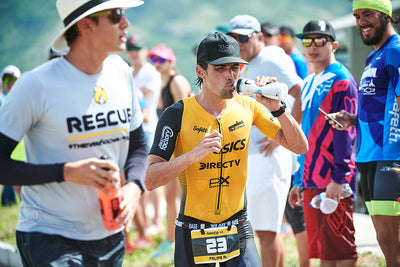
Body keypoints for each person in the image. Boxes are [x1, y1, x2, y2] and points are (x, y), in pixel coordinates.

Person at [0, 0, 147, 265]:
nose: (125, 23)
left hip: (110, 234)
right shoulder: (36, 85)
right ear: (85, 25)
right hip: (49, 235)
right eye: (116, 15)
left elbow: (138, 147)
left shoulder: (121, 73)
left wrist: (134, 187)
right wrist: (66, 172)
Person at [145, 32, 308, 267]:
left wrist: (279, 109)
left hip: (237, 226)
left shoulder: (249, 106)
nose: (231, 75)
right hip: (193, 229)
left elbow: (300, 147)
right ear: (201, 71)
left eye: (235, 67)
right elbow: (151, 179)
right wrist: (192, 155)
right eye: (220, 68)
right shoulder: (177, 114)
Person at [227, 14, 303, 267]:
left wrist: (284, 137)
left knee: (267, 232)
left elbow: (299, 90)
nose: (238, 42)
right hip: (256, 154)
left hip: (270, 155)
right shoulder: (247, 62)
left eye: (243, 37)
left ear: (258, 36)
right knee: (263, 230)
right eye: (234, 37)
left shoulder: (270, 56)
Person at [328, 1, 400, 266]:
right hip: (368, 158)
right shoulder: (373, 57)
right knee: (387, 244)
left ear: (385, 16)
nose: (361, 22)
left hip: (390, 158)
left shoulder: (396, 51)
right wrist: (352, 120)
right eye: (357, 16)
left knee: (393, 246)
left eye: (367, 14)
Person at [288, 19, 359, 266]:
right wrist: (299, 180)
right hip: (310, 179)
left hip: (332, 179)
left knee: (343, 252)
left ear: (334, 45)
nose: (313, 46)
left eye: (321, 40)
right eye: (307, 40)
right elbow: (304, 133)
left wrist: (339, 178)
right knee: (323, 254)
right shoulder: (308, 81)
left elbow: (346, 133)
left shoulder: (341, 79)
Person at [147, 44, 192, 259]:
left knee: (179, 195)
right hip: (174, 147)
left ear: (171, 62)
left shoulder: (177, 81)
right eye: (153, 60)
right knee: (171, 195)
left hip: (182, 146)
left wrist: (178, 152)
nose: (157, 64)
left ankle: (179, 239)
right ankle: (172, 238)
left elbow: (186, 115)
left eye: (161, 60)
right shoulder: (162, 83)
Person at [124, 35, 162, 253]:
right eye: (130, 48)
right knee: (140, 178)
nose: (133, 51)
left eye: (137, 48)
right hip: (134, 127)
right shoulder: (129, 71)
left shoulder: (149, 71)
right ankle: (146, 221)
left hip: (148, 128)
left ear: (144, 49)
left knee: (149, 177)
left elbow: (140, 97)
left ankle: (154, 220)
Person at [0, 65, 22, 206]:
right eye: (6, 79)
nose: (10, 82)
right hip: (11, 155)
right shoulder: (3, 104)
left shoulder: (28, 100)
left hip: (27, 154)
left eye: (13, 78)